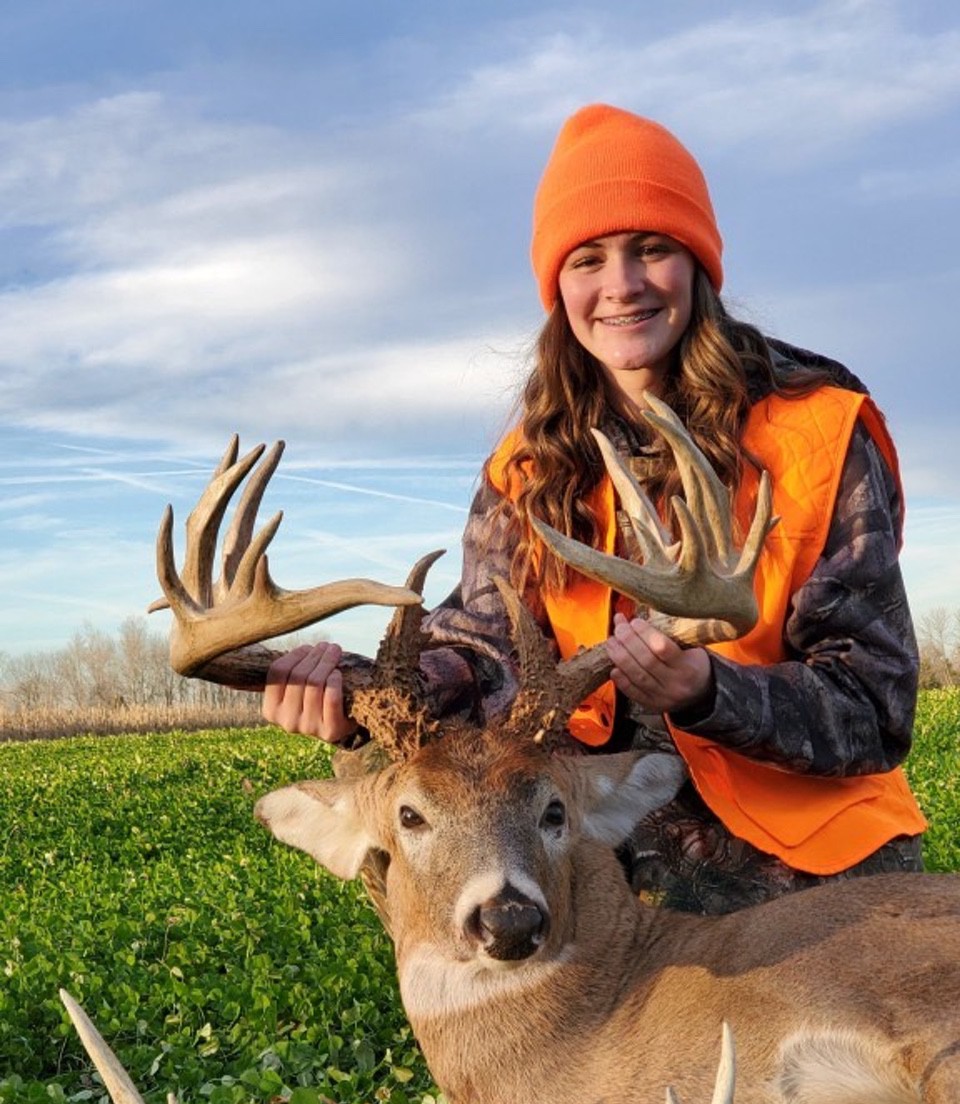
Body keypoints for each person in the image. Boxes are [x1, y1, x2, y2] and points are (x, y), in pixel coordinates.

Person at [264, 103, 925, 915]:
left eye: (652, 248)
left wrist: (709, 688)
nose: (622, 285)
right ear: (558, 286)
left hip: (813, 874)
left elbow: (876, 708)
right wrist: (356, 699)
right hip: (606, 860)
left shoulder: (816, 432)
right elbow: (482, 655)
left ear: (698, 264)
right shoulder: (529, 468)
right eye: (588, 259)